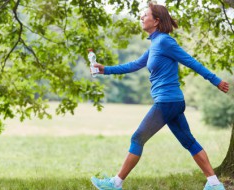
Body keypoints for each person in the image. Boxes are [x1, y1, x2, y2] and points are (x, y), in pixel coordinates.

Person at [90, 2, 230, 190]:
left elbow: (191, 62)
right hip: (172, 102)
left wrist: (216, 81)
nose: (141, 17)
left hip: (167, 101)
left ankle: (116, 183)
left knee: (137, 138)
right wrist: (105, 70)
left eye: (145, 15)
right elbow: (133, 65)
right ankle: (214, 183)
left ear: (156, 21)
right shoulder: (155, 44)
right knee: (189, 141)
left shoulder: (165, 42)